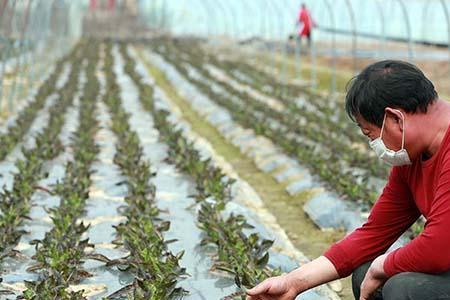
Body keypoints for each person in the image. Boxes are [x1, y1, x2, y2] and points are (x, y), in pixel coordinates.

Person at [246, 60, 450, 300]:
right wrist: (293, 282)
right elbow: (373, 233)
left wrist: (383, 265)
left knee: (402, 288)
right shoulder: (412, 159)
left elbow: (439, 247)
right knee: (366, 274)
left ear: (395, 119)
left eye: (370, 134)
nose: (375, 145)